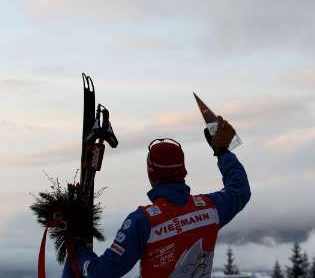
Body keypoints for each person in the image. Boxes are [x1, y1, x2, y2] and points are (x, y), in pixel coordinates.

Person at [62, 116, 251, 277]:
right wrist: (222, 152)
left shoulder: (143, 222)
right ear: (183, 171)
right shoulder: (210, 209)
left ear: (152, 174)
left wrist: (77, 252)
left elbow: (102, 273)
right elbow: (240, 189)